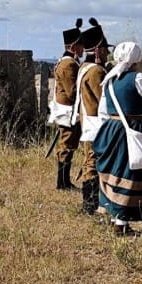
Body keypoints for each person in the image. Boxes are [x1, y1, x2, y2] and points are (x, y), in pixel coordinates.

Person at [94, 42, 142, 234]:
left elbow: (103, 110)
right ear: (136, 60)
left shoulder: (109, 80)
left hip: (112, 130)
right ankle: (121, 224)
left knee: (116, 172)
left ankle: (115, 217)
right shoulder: (137, 78)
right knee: (131, 174)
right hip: (131, 131)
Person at [74, 18, 112, 215]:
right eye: (105, 49)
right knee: (92, 162)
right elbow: (103, 99)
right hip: (96, 123)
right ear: (98, 50)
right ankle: (89, 205)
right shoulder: (96, 71)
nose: (107, 53)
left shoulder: (84, 68)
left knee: (90, 160)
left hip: (88, 122)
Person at [50, 19, 84, 190]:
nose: (82, 49)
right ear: (72, 47)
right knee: (66, 146)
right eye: (80, 46)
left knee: (68, 146)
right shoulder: (69, 64)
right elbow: (72, 92)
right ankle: (62, 183)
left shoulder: (69, 62)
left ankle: (64, 181)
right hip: (68, 111)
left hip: (68, 110)